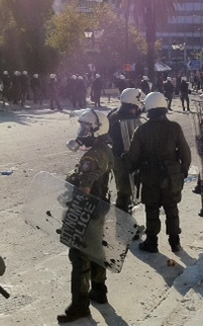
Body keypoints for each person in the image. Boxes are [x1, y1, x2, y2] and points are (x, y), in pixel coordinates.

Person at [58, 108, 113, 323]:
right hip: (99, 207)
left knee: (80, 255)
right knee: (97, 249)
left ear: (97, 130)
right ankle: (99, 290)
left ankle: (80, 306)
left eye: (86, 128)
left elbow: (85, 189)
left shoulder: (93, 155)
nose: (82, 132)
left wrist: (73, 214)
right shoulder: (105, 149)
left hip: (88, 210)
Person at [127, 92, 191, 253]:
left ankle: (152, 242)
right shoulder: (175, 127)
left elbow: (133, 157)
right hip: (170, 177)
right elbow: (185, 153)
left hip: (150, 177)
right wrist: (181, 172)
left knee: (152, 210)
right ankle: (175, 242)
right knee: (172, 209)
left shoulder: (141, 130)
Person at [107, 88, 142, 212]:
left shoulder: (114, 114)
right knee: (125, 192)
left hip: (117, 157)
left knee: (126, 189)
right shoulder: (126, 119)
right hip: (124, 159)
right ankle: (122, 221)